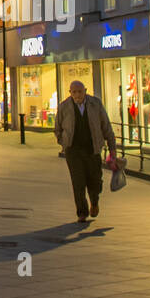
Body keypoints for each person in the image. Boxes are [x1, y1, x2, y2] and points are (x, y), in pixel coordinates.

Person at [54, 79, 118, 222]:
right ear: (70, 93)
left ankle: (94, 202)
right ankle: (82, 213)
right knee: (78, 182)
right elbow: (57, 128)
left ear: (85, 91)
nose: (77, 95)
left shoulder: (95, 104)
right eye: (74, 92)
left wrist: (112, 149)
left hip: (92, 149)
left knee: (95, 181)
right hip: (73, 151)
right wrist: (64, 143)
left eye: (80, 91)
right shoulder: (64, 107)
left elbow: (106, 126)